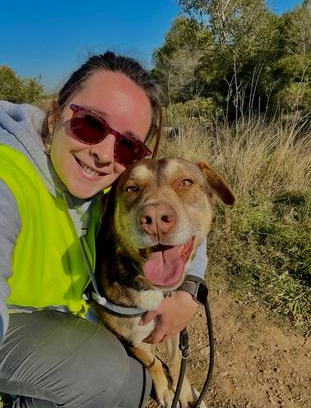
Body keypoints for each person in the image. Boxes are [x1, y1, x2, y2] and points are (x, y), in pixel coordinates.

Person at [0, 51, 208, 408]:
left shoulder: (116, 186)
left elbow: (183, 216)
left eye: (128, 145)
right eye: (90, 125)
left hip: (63, 314)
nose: (104, 153)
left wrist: (189, 292)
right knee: (105, 376)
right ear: (54, 115)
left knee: (133, 384)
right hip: (14, 321)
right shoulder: (8, 176)